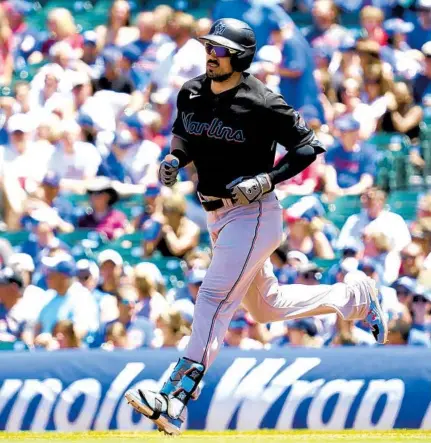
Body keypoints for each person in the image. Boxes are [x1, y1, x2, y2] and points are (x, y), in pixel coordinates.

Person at [125, 19, 388, 436]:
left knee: (212, 297)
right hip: (216, 215)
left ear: (241, 56)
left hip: (254, 214)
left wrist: (267, 179)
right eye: (209, 46)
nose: (212, 53)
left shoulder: (262, 100)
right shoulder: (191, 91)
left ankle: (174, 397)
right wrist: (176, 158)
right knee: (265, 306)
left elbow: (308, 146)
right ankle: (353, 297)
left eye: (221, 49)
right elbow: (183, 135)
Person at [324, 115, 377, 198]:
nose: (341, 134)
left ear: (355, 133)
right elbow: (330, 173)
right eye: (341, 130)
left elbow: (366, 181)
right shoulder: (333, 150)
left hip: (357, 198)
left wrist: (346, 193)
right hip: (335, 196)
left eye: (345, 131)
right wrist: (334, 189)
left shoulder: (367, 153)